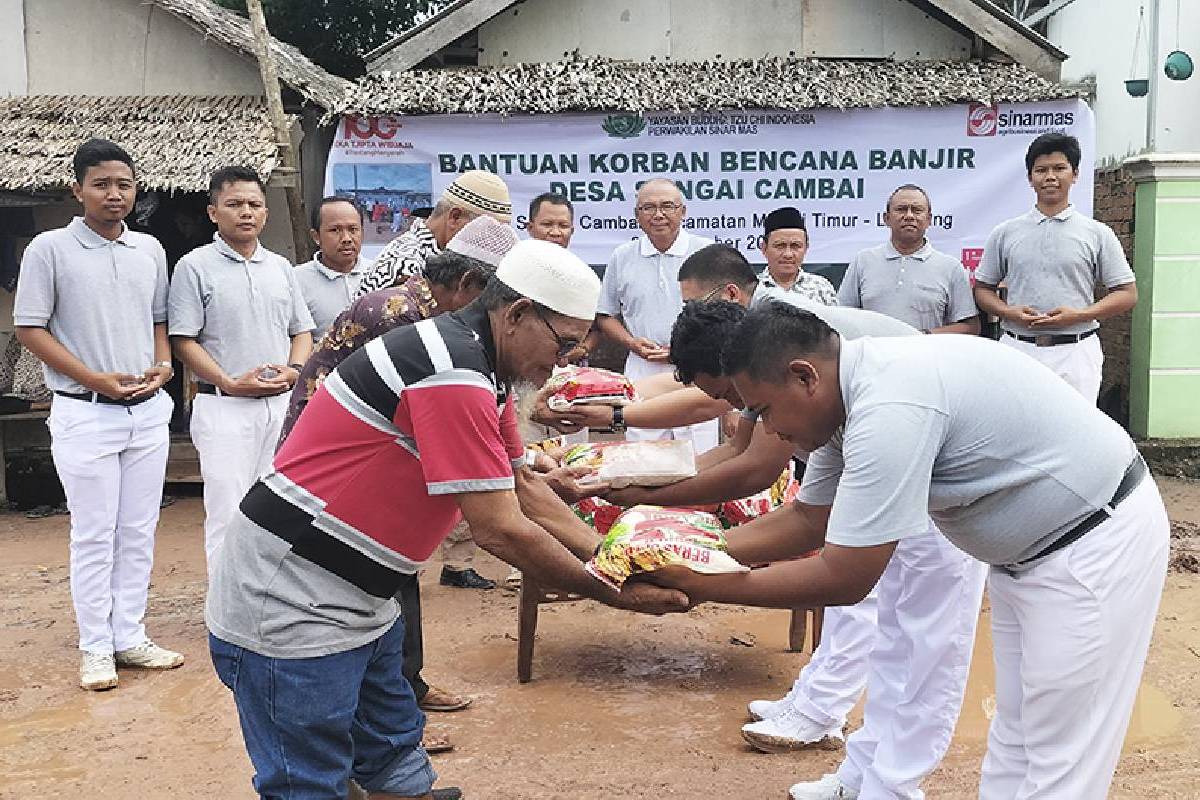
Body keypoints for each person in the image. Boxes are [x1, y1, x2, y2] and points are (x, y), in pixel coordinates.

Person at [206, 238, 687, 799]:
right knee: (308, 779)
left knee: (390, 745)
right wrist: (610, 591)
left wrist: (612, 558)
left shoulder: (487, 368)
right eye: (565, 345)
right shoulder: (450, 369)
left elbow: (524, 485)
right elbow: (501, 526)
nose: (565, 362)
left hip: (362, 595)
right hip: (291, 599)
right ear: (517, 314)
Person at [649, 300, 1167, 800]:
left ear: (804, 377)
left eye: (762, 411)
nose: (768, 431)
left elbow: (846, 577)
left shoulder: (888, 403)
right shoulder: (841, 398)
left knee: (1059, 753)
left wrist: (704, 583)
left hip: (1092, 543)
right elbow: (809, 520)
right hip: (1028, 554)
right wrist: (697, 553)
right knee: (1018, 734)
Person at [277, 217, 518, 745]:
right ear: (465, 287)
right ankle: (389, 717)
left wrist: (517, 461)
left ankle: (405, 696)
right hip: (337, 461)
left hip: (380, 451)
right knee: (371, 585)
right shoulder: (400, 316)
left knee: (399, 575)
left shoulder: (455, 324)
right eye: (493, 300)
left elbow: (493, 400)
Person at [14, 138, 183, 691]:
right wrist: (93, 379)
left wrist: (162, 366)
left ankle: (129, 635)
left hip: (146, 411)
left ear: (136, 190)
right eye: (102, 184)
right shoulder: (49, 249)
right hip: (84, 412)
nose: (114, 195)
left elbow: (159, 320)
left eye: (123, 185)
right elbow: (29, 328)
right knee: (93, 533)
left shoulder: (150, 251)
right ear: (77, 189)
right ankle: (95, 647)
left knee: (138, 529)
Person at [168, 166, 314, 572]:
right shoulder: (194, 266)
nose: (245, 212)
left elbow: (301, 330)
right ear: (213, 212)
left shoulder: (281, 267)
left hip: (279, 405)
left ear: (265, 213)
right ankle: (226, 615)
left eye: (254, 204)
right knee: (228, 514)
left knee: (279, 509)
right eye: (234, 204)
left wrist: (294, 369)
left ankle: (268, 605)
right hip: (224, 408)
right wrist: (228, 382)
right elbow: (183, 340)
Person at [973, 133, 1136, 401]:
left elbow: (1127, 294)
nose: (1050, 177)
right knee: (1017, 427)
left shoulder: (1097, 233)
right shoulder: (1005, 232)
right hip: (1018, 347)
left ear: (1075, 175)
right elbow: (983, 290)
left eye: (1059, 168)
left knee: (1077, 431)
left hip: (1076, 351)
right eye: (1041, 170)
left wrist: (1080, 315)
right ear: (1030, 178)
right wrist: (1008, 312)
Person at [595, 178, 716, 449]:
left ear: (683, 211)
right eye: (648, 207)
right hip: (643, 368)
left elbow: (726, 313)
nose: (658, 215)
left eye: (667, 206)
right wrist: (631, 343)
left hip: (697, 368)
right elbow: (605, 315)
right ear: (637, 215)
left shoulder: (707, 252)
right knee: (645, 454)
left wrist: (686, 350)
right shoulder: (622, 256)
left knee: (698, 456)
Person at [839, 186, 980, 335]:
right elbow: (842, 317)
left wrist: (924, 336)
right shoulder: (863, 261)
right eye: (901, 209)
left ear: (928, 220)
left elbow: (970, 327)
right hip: (872, 356)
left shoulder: (950, 267)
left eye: (917, 210)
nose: (909, 216)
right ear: (886, 219)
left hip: (927, 356)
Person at [356, 170, 512, 299]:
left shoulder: (430, 254)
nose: (493, 242)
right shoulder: (408, 266)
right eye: (489, 231)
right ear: (455, 217)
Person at [294, 196, 372, 340]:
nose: (347, 238)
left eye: (353, 229)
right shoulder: (296, 280)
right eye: (335, 230)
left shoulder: (378, 273)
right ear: (316, 236)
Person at [758, 207, 837, 304]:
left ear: (806, 247)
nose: (788, 254)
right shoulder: (753, 289)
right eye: (780, 246)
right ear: (764, 248)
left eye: (795, 246)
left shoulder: (821, 288)